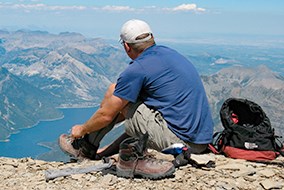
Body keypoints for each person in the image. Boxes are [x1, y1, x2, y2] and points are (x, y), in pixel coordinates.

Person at [59, 19, 214, 162]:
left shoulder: (138, 68)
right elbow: (138, 122)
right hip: (200, 141)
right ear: (152, 38)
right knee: (133, 110)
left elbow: (107, 115)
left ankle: (84, 147)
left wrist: (83, 128)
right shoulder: (170, 54)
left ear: (127, 46)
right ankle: (99, 153)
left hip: (180, 143)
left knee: (115, 93)